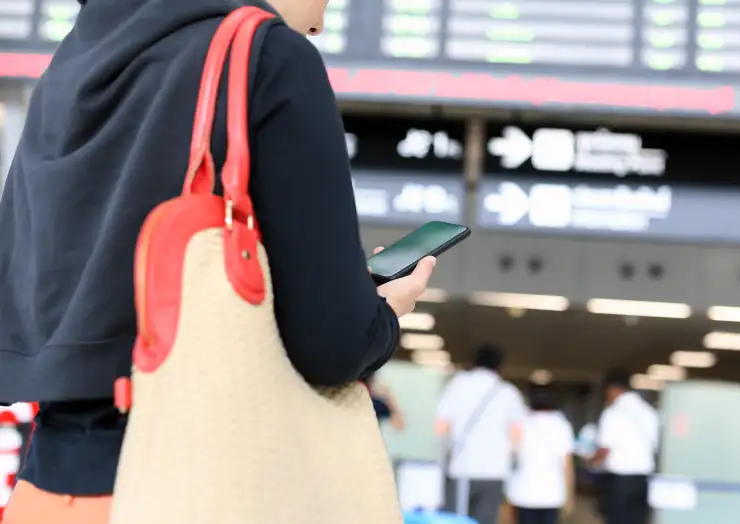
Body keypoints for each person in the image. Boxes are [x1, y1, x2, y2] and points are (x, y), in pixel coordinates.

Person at [0, 0, 436, 522]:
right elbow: (332, 347)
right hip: (196, 482)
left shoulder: (72, 60)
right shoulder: (268, 56)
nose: (321, 21)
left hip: (47, 491)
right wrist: (381, 312)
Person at [435, 345, 526, 524]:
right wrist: (513, 459)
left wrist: (447, 452)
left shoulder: (457, 385)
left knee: (455, 520)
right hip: (494, 471)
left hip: (461, 468)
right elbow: (516, 435)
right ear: (500, 366)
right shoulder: (508, 393)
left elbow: (441, 427)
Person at [590, 368, 660, 524]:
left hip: (620, 482)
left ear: (612, 389)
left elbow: (604, 450)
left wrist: (592, 461)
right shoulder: (648, 412)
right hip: (643, 481)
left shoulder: (613, 412)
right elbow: (656, 445)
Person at [506, 385, 575, 524]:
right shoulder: (561, 425)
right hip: (552, 494)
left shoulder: (520, 422)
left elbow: (510, 456)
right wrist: (570, 496)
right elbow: (567, 464)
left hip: (523, 493)